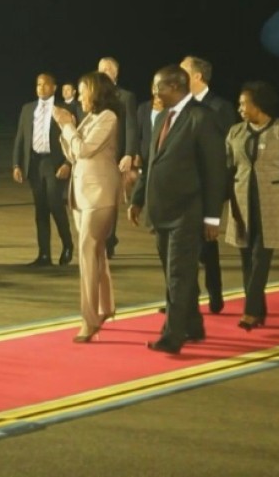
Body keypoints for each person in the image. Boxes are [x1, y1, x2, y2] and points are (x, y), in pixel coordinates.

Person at [129, 64, 226, 354]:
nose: (154, 92)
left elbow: (215, 171)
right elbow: (151, 163)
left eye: (158, 86)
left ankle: (172, 336)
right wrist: (137, 199)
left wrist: (212, 217)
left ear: (174, 86)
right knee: (176, 274)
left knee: (178, 275)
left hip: (187, 212)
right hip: (161, 212)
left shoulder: (201, 118)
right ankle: (193, 324)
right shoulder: (162, 118)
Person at [225, 81, 279, 330]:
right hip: (242, 203)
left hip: (273, 204)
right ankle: (259, 310)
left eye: (244, 104)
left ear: (258, 104)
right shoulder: (235, 132)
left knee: (260, 257)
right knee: (246, 258)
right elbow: (227, 168)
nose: (240, 108)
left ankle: (250, 312)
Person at [54, 72, 121, 341]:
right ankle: (104, 307)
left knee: (87, 253)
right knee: (96, 252)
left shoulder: (108, 117)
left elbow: (84, 150)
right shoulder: (91, 118)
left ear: (95, 92)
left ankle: (89, 319)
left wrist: (67, 126)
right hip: (83, 195)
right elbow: (72, 153)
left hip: (99, 195)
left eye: (83, 92)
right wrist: (68, 128)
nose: (79, 97)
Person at [180, 55, 239, 314]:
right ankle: (184, 299)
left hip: (207, 186)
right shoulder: (181, 105)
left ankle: (213, 293)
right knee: (185, 245)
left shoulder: (220, 107)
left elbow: (226, 151)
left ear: (197, 76)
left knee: (206, 243)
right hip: (184, 185)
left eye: (183, 70)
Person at [12, 73, 74, 266]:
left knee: (55, 204)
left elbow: (74, 138)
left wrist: (68, 163)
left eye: (46, 84)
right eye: (38, 84)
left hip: (54, 163)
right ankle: (44, 254)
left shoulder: (63, 110)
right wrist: (16, 164)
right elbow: (20, 138)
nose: (41, 88)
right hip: (35, 163)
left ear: (54, 88)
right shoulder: (28, 109)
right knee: (41, 209)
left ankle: (67, 244)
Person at [97, 57, 139, 258]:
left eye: (107, 69)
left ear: (115, 73)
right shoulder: (92, 95)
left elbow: (131, 126)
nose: (103, 72)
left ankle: (108, 240)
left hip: (115, 156)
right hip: (95, 156)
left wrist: (129, 153)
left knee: (110, 200)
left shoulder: (126, 97)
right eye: (101, 69)